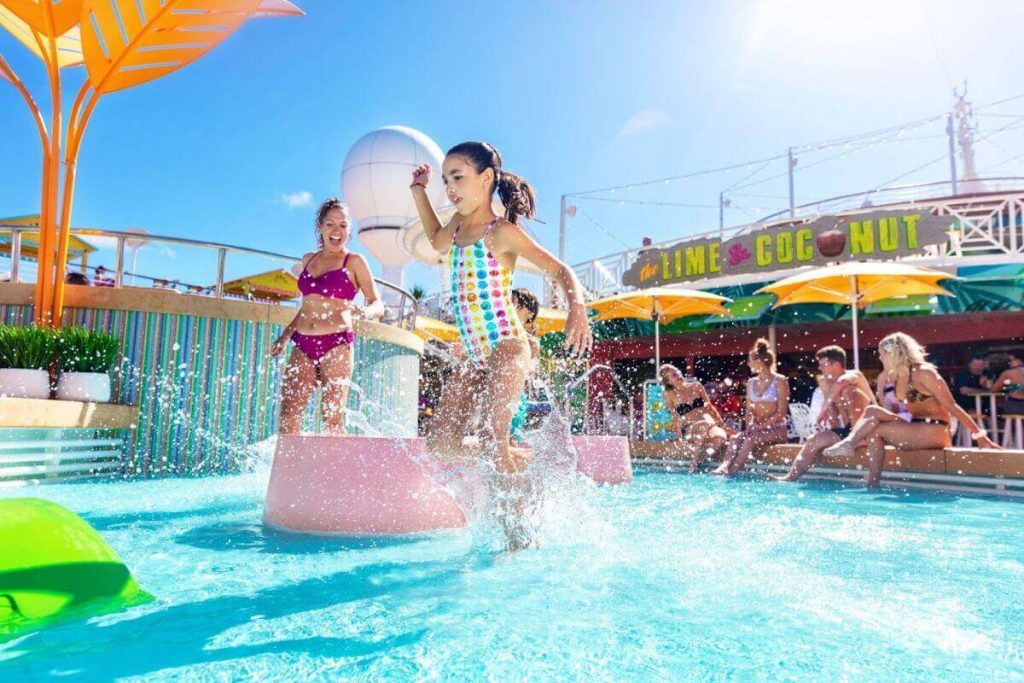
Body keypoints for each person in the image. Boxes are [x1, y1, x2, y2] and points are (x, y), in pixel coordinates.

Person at [410, 141, 592, 549]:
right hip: (475, 356)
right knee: (442, 443)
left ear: (486, 178)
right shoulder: (455, 227)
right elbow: (435, 242)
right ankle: (522, 461)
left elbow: (558, 269)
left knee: (495, 440)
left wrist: (576, 308)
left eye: (457, 177)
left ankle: (519, 540)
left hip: (508, 346)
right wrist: (418, 191)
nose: (450, 187)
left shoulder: (500, 233)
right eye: (445, 180)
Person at [822, 332, 999, 487]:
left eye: (883, 354)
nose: (880, 358)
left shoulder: (924, 372)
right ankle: (869, 479)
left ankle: (858, 458)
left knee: (875, 430)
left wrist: (981, 437)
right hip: (915, 426)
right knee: (872, 413)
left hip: (936, 429)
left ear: (894, 354)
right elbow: (911, 409)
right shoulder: (898, 377)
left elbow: (951, 406)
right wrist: (890, 409)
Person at [270, 198, 384, 434]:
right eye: (331, 224)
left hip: (337, 344)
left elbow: (377, 303)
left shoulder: (354, 261)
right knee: (288, 416)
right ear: (320, 226)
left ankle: (340, 471)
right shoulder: (308, 259)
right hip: (302, 343)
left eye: (343, 225)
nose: (336, 231)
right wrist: (285, 336)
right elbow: (308, 305)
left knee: (331, 419)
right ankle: (293, 470)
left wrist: (366, 311)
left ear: (349, 230)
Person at [770, 345, 874, 482]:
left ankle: (859, 439)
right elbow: (836, 419)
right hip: (850, 430)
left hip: (871, 428)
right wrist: (830, 433)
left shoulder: (855, 375)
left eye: (823, 365)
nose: (820, 368)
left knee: (849, 391)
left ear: (836, 365)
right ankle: (790, 477)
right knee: (813, 440)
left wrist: (824, 408)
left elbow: (841, 382)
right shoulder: (827, 384)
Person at [713, 338, 790, 476]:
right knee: (736, 437)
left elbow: (781, 413)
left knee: (750, 439)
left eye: (750, 360)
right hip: (757, 429)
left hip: (777, 429)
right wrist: (749, 426)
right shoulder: (751, 382)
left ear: (759, 362)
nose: (748, 364)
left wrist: (761, 427)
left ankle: (731, 472)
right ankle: (724, 467)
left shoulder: (780, 380)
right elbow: (749, 410)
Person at [658, 364, 730, 472]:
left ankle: (699, 460)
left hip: (709, 424)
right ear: (668, 382)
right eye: (674, 375)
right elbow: (675, 417)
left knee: (720, 436)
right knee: (702, 425)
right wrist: (679, 438)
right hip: (690, 427)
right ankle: (694, 466)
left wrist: (722, 425)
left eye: (677, 371)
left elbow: (709, 406)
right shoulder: (669, 394)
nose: (678, 374)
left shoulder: (696, 386)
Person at [993, 351, 1024, 416]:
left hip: (1015, 405)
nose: (1009, 363)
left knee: (997, 409)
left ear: (1018, 361)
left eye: (1010, 360)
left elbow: (994, 390)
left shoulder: (1008, 373)